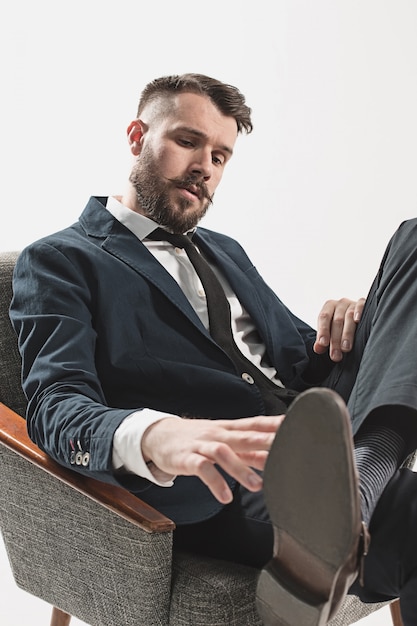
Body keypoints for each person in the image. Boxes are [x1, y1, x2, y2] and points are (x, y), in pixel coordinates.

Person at [9, 72, 417, 625]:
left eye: (221, 156)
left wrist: (365, 322)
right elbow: (55, 410)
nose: (205, 166)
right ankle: (355, 497)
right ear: (137, 137)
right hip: (233, 472)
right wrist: (156, 433)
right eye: (187, 141)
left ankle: (360, 478)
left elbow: (298, 365)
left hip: (319, 432)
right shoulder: (61, 260)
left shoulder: (226, 251)